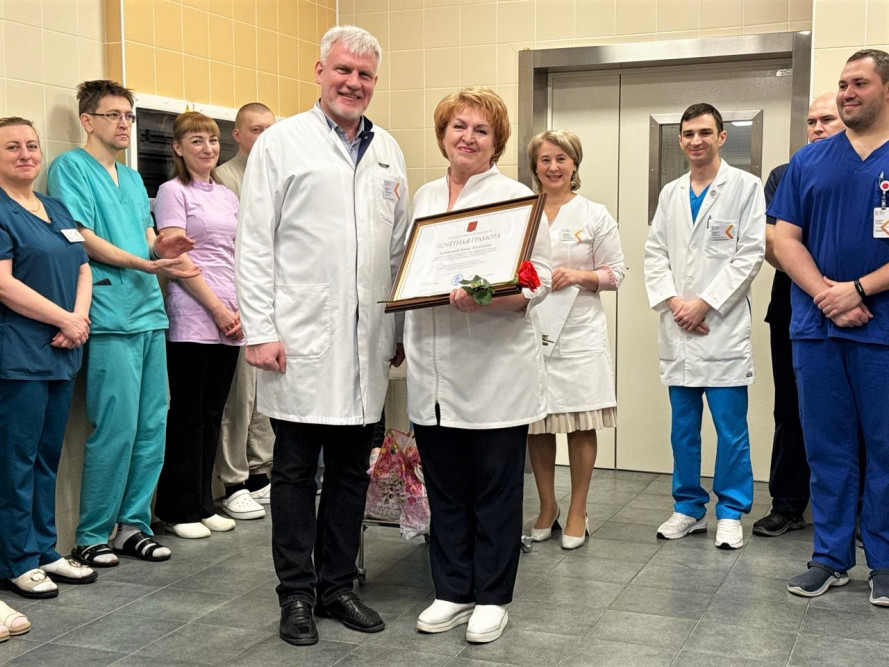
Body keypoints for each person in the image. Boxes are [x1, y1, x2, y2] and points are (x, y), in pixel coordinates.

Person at [235, 26, 408, 646]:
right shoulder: (281, 143)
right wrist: (260, 330)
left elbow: (398, 252)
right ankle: (296, 594)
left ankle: (338, 586)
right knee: (293, 473)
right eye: (343, 70)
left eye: (364, 75)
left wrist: (397, 328)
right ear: (319, 71)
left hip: (367, 342)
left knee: (351, 473)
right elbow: (254, 243)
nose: (353, 83)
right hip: (300, 339)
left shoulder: (387, 149)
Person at [408, 87, 551, 643]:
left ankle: (491, 596)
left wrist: (490, 296)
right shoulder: (423, 197)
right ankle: (452, 590)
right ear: (443, 133)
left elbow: (535, 282)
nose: (467, 137)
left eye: (481, 130)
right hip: (431, 369)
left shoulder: (516, 198)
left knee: (494, 490)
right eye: (458, 126)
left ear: (497, 142)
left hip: (494, 371)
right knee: (444, 488)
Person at [47, 80, 195, 567]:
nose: (125, 124)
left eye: (129, 116)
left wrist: (164, 249)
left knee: (153, 423)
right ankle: (91, 534)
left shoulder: (131, 178)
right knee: (115, 426)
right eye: (114, 115)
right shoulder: (70, 168)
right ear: (88, 120)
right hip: (111, 312)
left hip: (148, 311)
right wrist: (143, 263)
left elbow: (147, 234)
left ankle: (133, 525)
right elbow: (81, 236)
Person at [772, 49, 889, 606]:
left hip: (881, 330)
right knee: (827, 447)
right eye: (843, 84)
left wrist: (860, 289)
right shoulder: (809, 162)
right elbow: (784, 239)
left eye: (859, 83)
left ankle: (885, 561)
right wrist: (828, 294)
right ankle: (831, 557)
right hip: (817, 330)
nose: (847, 93)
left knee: (885, 449)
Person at [643, 102, 765, 551]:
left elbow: (750, 254)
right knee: (683, 429)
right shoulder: (671, 193)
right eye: (689, 133)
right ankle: (689, 508)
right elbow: (655, 252)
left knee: (731, 430)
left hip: (721, 328)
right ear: (680, 140)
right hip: (680, 327)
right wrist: (676, 303)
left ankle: (730, 511)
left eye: (705, 132)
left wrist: (705, 304)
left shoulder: (745, 187)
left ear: (721, 137)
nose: (696, 140)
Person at [0, 117, 95, 601]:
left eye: (32, 145)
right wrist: (65, 319)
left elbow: (82, 267)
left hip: (62, 351)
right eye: (12, 147)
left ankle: (44, 549)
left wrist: (77, 319)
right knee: (14, 462)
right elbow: (3, 283)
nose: (25, 155)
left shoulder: (54, 207)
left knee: (46, 457)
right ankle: (16, 559)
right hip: (18, 355)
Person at [525, 130, 625, 550]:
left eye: (561, 159)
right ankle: (547, 506)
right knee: (538, 423)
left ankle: (578, 511)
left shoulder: (594, 214)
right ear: (535, 166)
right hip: (531, 329)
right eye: (545, 159)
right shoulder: (524, 212)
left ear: (574, 164)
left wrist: (581, 276)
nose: (553, 167)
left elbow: (616, 273)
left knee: (581, 423)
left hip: (580, 331)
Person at [753, 94, 846, 537]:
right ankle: (788, 503)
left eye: (827, 119)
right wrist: (823, 287)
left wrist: (852, 290)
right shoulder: (785, 175)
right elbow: (774, 244)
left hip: (860, 305)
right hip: (794, 306)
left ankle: (860, 512)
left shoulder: (869, 172)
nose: (817, 128)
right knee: (791, 408)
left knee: (855, 412)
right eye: (811, 121)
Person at [152, 112, 244, 539]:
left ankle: (205, 503)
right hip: (193, 314)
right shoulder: (173, 191)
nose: (207, 148)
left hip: (231, 315)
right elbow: (177, 256)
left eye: (212, 140)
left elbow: (238, 253)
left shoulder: (226, 195)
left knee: (212, 414)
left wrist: (238, 310)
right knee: (188, 415)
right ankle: (177, 509)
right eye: (196, 141)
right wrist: (217, 309)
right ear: (178, 148)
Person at [215, 102, 276, 521]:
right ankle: (234, 480)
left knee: (261, 394)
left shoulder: (274, 174)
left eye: (270, 130)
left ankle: (259, 472)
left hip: (268, 302)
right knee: (237, 400)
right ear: (236, 135)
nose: (264, 137)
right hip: (234, 301)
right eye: (256, 130)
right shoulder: (225, 179)